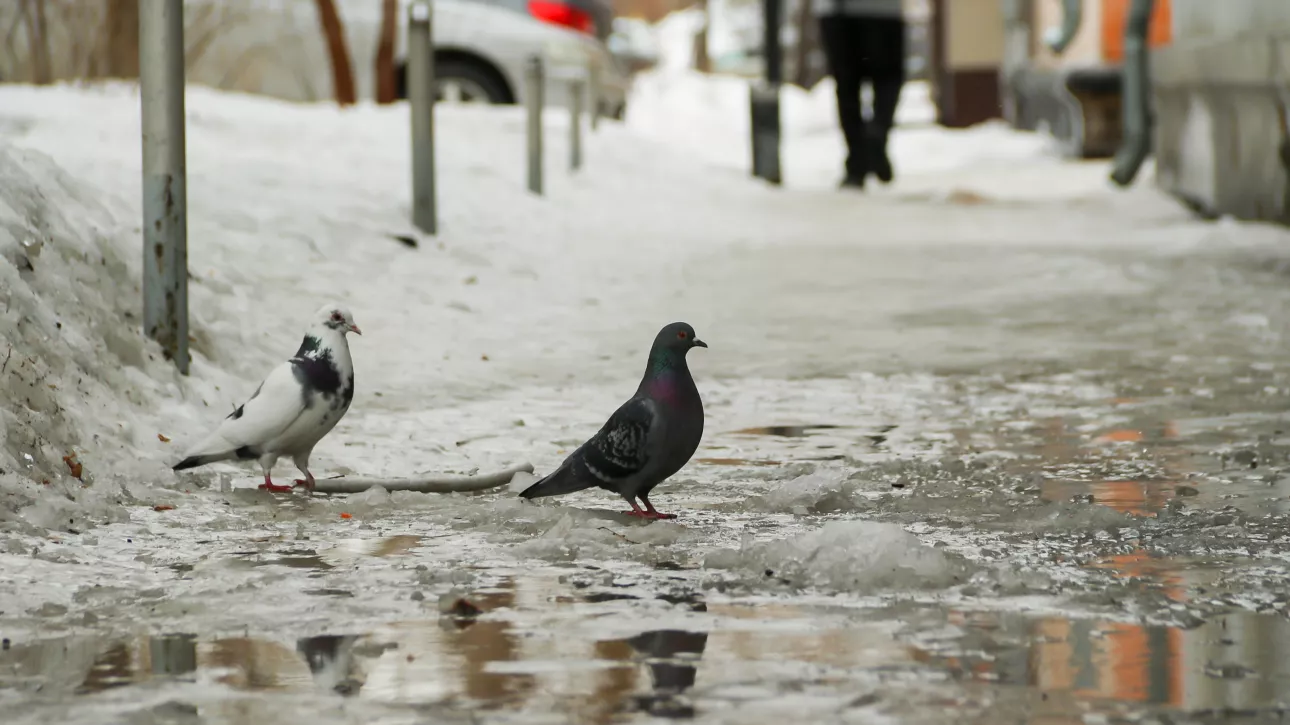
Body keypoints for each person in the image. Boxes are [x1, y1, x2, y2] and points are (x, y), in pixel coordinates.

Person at [814, 0, 907, 189]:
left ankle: (856, 164)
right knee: (888, 79)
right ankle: (876, 135)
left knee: (847, 87)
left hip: (838, 11)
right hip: (884, 12)